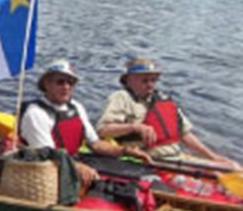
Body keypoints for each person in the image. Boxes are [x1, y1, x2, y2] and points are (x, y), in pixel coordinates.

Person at [18, 59, 150, 188]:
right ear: (46, 84)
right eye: (60, 82)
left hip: (73, 160)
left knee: (137, 173)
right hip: (49, 168)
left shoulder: (75, 107)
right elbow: (48, 156)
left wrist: (124, 151)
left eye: (70, 83)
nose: (66, 87)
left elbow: (95, 144)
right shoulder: (35, 114)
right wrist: (78, 167)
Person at [97, 58, 240, 169]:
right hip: (149, 160)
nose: (150, 84)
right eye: (144, 80)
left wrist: (213, 157)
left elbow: (184, 134)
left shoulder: (163, 100)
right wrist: (135, 127)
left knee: (233, 167)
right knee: (226, 173)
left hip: (175, 157)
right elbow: (103, 130)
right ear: (128, 80)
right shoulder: (121, 97)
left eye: (153, 80)